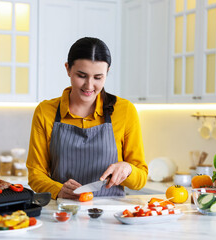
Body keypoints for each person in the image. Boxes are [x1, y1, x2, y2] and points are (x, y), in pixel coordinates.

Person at [26, 37, 147, 199]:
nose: (89, 86)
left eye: (98, 77)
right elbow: (35, 174)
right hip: (64, 212)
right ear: (68, 69)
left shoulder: (124, 110)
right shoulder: (45, 111)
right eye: (81, 75)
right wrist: (58, 189)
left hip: (110, 216)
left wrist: (128, 169)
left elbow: (141, 178)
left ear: (107, 73)